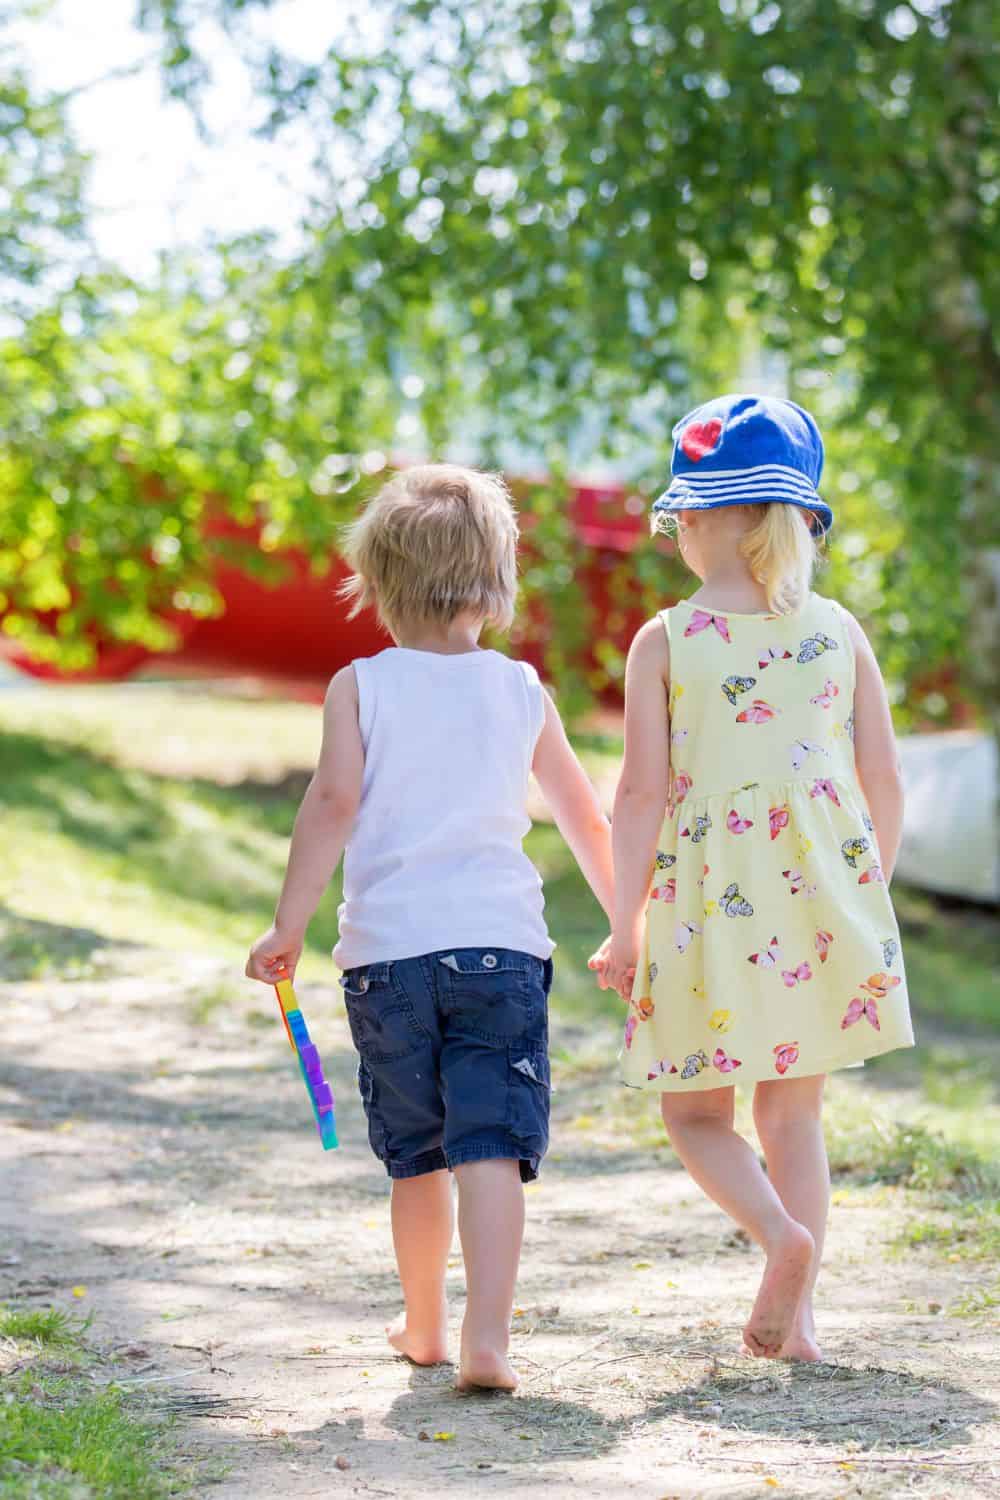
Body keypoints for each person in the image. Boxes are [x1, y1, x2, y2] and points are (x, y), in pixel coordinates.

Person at [246, 463, 614, 1392]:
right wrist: (630, 924)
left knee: (418, 1156)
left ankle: (423, 1326)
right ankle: (489, 1338)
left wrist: (288, 922)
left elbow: (330, 803)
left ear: (374, 584)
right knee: (490, 1143)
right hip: (500, 952)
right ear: (495, 586)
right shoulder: (519, 688)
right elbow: (581, 813)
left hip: (389, 960)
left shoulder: (360, 686)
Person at [595, 393, 914, 1362]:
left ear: (701, 520)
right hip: (821, 905)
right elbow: (884, 782)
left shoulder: (667, 639)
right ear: (795, 518)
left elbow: (640, 797)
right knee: (793, 1111)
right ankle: (802, 1320)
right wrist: (867, 896)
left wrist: (622, 923)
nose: (678, 532)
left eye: (682, 517)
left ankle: (780, 1238)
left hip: (706, 912)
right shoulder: (836, 630)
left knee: (696, 1111)